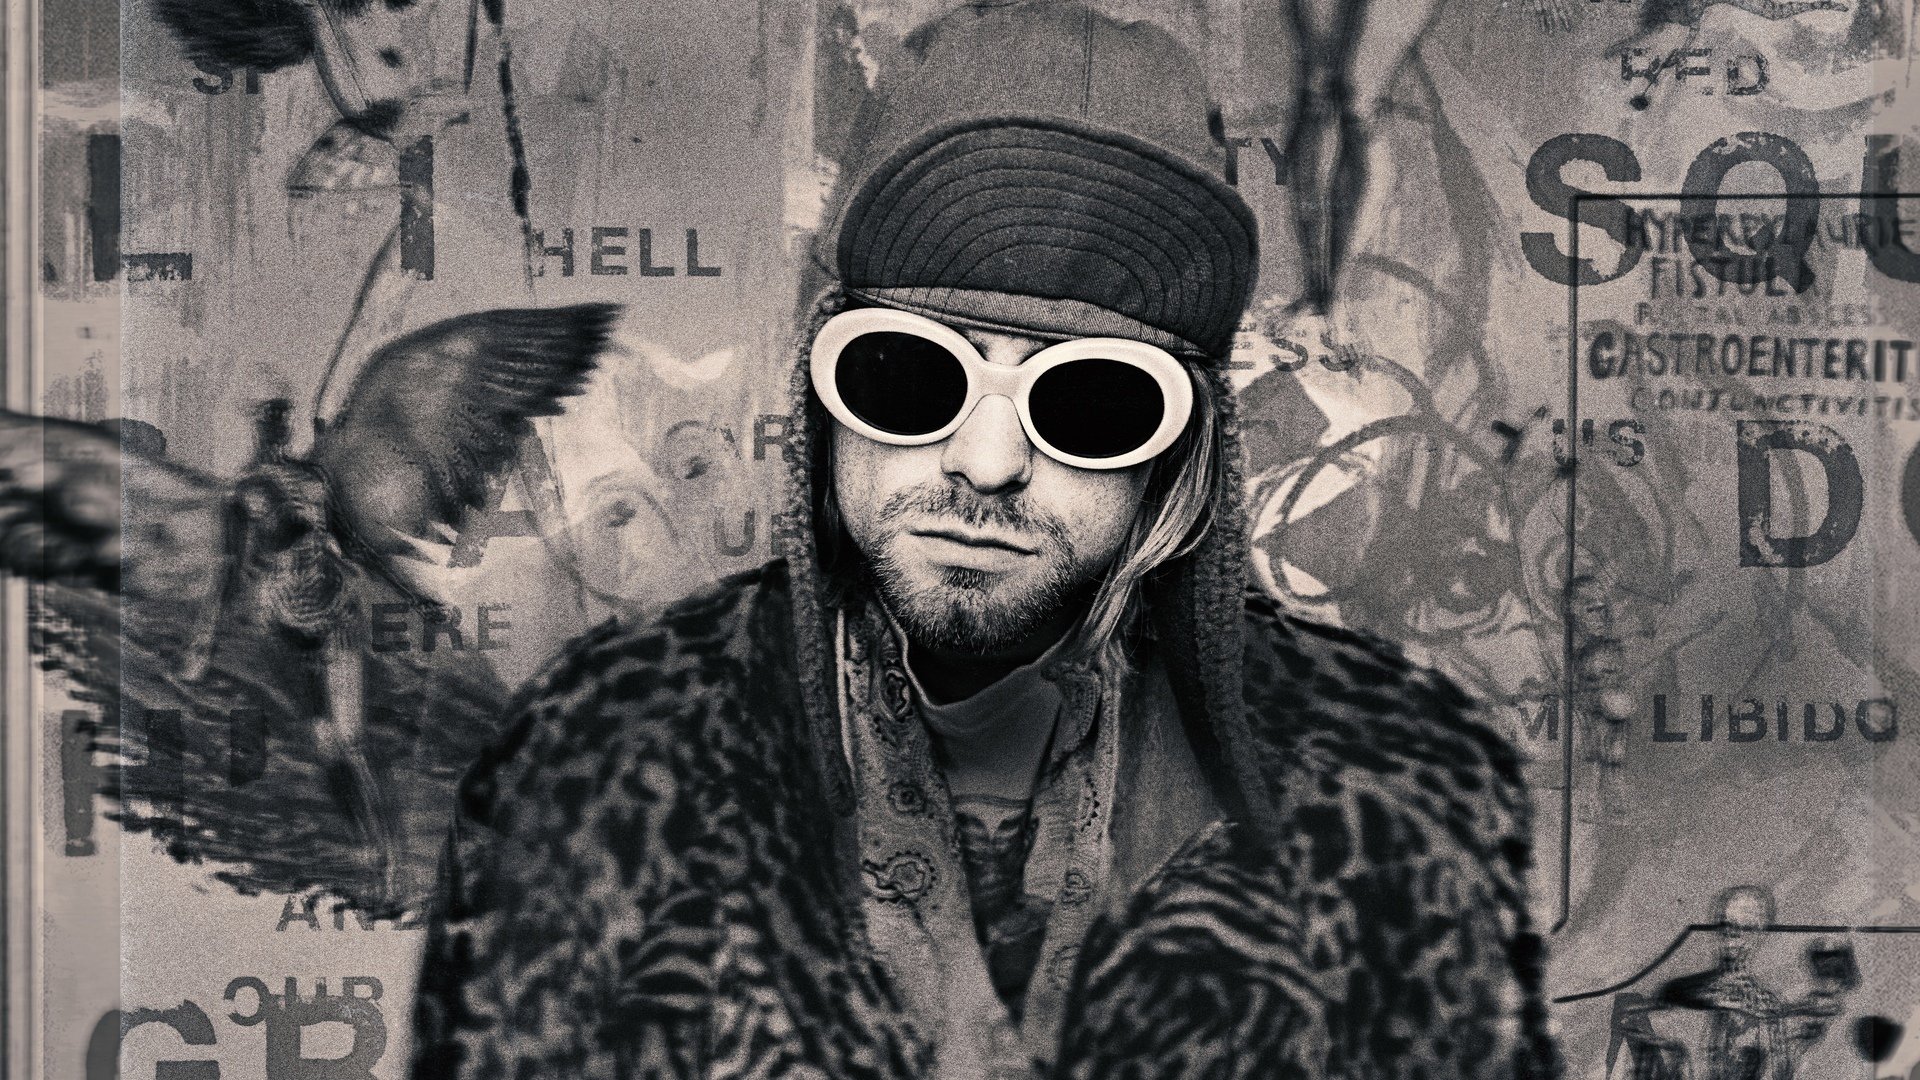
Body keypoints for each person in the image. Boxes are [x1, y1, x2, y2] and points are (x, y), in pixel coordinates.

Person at [407, 3, 1555, 1077]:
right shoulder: (597, 766)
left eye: (1092, 400)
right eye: (912, 375)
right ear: (821, 396)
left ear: (1181, 453)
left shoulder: (1395, 796)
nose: (989, 460)